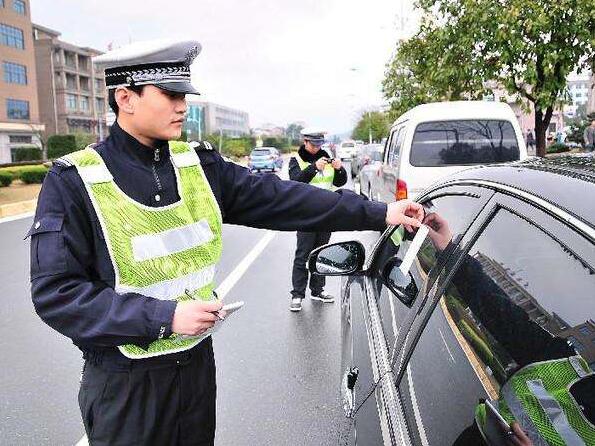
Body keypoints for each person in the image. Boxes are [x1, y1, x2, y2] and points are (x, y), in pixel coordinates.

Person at [28, 39, 424, 446]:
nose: (183, 106)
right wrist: (163, 317)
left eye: (184, 95)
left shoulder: (198, 165)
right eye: (170, 95)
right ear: (125, 98)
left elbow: (282, 199)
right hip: (125, 385)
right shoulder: (74, 181)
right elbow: (57, 294)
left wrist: (378, 214)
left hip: (196, 372)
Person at [287, 128, 347, 312]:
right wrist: (314, 168)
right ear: (305, 141)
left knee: (321, 253)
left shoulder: (326, 158)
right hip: (305, 215)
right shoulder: (296, 160)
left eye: (320, 144)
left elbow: (339, 182)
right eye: (314, 144)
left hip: (326, 214)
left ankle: (317, 290)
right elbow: (295, 181)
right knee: (303, 255)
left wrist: (339, 169)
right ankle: (297, 294)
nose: (317, 147)